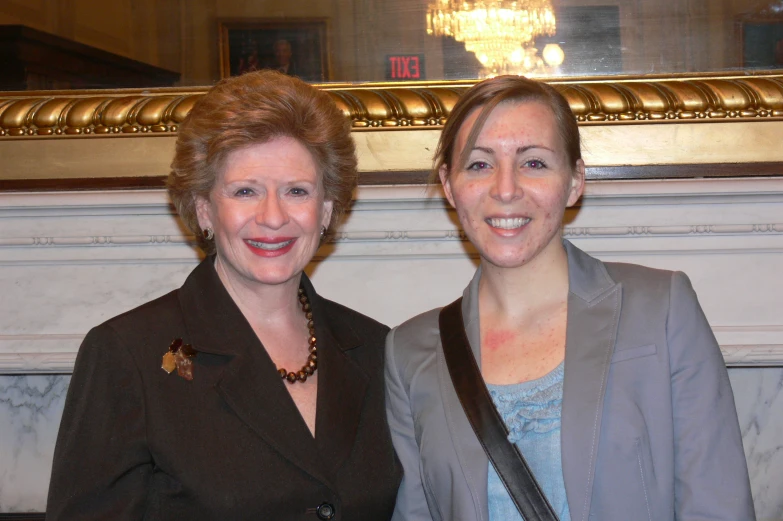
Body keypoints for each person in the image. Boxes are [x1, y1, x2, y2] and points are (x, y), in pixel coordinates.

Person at [384, 76, 755, 521]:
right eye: (479, 164)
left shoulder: (661, 309)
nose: (505, 189)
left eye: (534, 163)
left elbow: (718, 505)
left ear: (575, 181)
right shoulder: (410, 352)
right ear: (450, 185)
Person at [47, 70, 401, 520]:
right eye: (245, 191)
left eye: (296, 191)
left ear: (327, 208)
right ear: (204, 209)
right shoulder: (131, 356)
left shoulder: (378, 349)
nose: (273, 217)